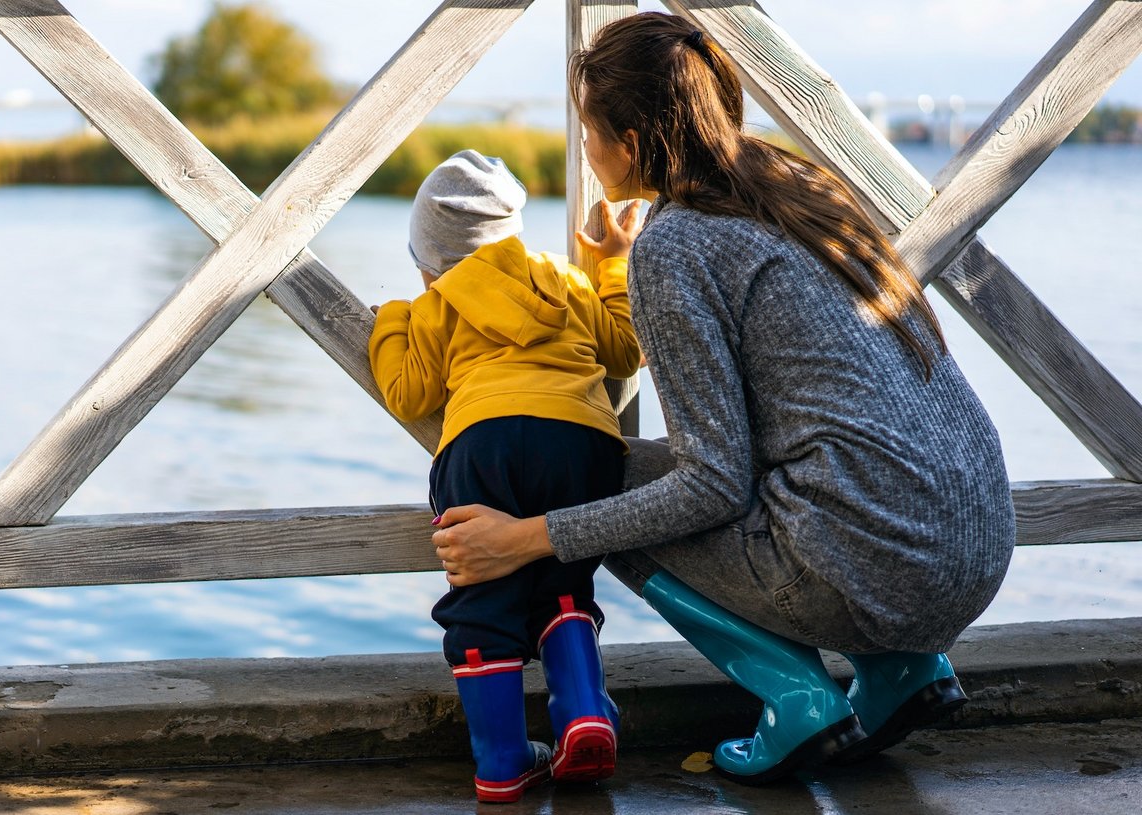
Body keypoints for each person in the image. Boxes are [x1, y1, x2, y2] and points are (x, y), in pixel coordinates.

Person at [429, 13, 1016, 786]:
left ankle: (798, 695)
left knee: (596, 472)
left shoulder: (675, 244)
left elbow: (711, 483)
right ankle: (901, 671)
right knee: (785, 469)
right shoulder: (795, 186)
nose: (586, 150)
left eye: (590, 132)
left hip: (877, 566)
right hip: (977, 545)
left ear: (632, 144)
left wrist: (531, 536)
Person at [368, 149, 643, 803]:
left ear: (431, 265)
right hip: (584, 442)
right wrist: (609, 266)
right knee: (564, 582)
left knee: (484, 594)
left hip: (484, 443)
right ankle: (583, 714)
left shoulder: (439, 304)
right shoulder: (561, 279)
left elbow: (408, 392)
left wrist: (392, 320)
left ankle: (501, 759)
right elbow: (625, 349)